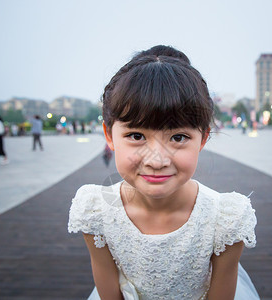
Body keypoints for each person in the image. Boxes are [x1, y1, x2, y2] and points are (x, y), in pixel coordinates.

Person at [68, 46, 259, 300]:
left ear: (202, 138)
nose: (157, 161)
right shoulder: (95, 211)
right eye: (136, 136)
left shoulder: (226, 219)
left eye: (178, 137)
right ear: (109, 136)